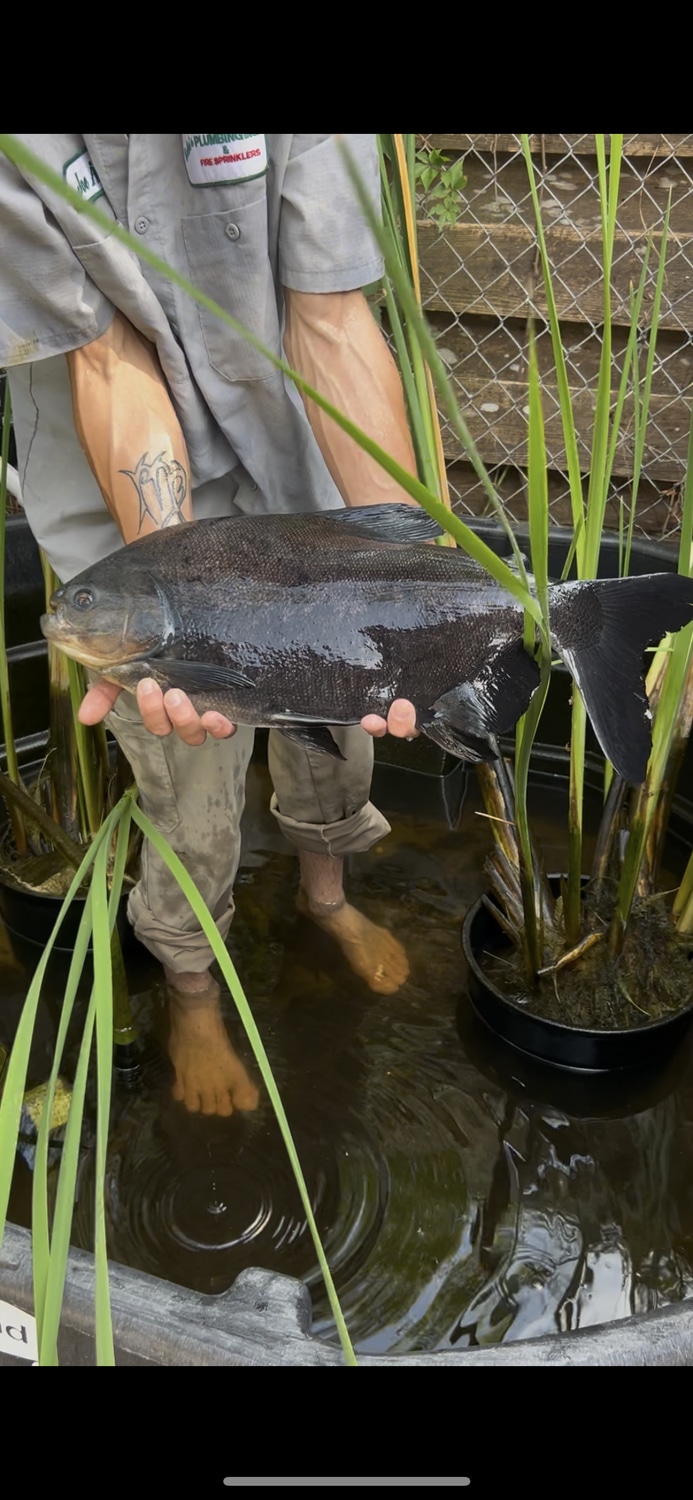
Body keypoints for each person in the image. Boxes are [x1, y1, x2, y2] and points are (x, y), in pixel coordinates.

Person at [0, 134, 420, 1116]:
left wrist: (407, 578)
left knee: (344, 721)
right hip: (125, 508)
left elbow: (331, 320)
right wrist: (185, 609)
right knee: (186, 779)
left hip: (300, 469)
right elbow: (109, 358)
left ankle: (325, 897)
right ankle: (193, 989)